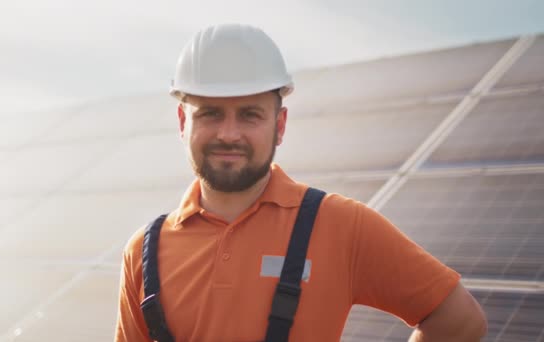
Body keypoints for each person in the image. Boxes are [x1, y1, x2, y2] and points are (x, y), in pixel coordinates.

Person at [115, 24, 487, 342]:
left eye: (250, 115)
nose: (229, 134)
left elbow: (459, 321)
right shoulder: (144, 251)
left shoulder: (342, 226)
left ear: (279, 126)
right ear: (183, 122)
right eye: (210, 114)